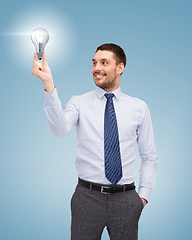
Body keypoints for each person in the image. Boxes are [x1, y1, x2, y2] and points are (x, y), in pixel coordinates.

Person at [31, 43, 158, 240]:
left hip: (126, 199)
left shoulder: (139, 107)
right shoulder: (79, 102)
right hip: (87, 198)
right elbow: (59, 129)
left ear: (120, 68)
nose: (96, 68)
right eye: (94, 63)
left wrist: (143, 197)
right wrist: (48, 83)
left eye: (104, 62)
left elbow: (149, 157)